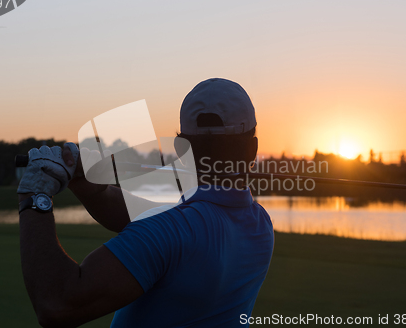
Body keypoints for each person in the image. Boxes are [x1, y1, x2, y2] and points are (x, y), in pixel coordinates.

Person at [17, 78, 274, 328]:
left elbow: (57, 304)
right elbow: (154, 221)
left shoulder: (171, 232)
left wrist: (35, 193)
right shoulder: (261, 225)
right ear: (253, 148)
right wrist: (93, 190)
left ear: (180, 148)